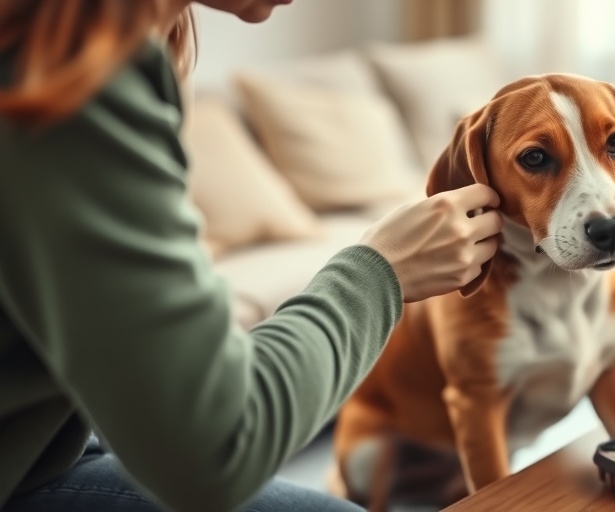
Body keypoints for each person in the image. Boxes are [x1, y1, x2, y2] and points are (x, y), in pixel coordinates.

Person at [0, 1, 502, 511]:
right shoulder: (70, 74)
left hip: (47, 451)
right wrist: (381, 271)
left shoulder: (127, 44)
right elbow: (218, 443)